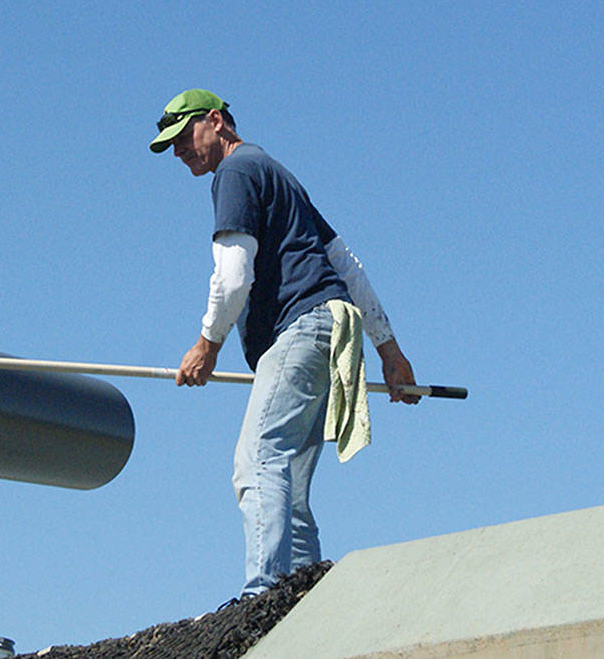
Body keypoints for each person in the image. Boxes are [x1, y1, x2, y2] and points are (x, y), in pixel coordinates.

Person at [148, 88, 419, 598]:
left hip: (302, 328)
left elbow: (232, 276)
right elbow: (345, 265)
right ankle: (305, 600)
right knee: (288, 483)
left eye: (183, 138)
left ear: (216, 121)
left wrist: (207, 344)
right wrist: (390, 352)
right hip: (332, 332)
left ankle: (265, 593)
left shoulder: (235, 173)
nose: (180, 152)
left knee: (257, 461)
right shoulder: (277, 175)